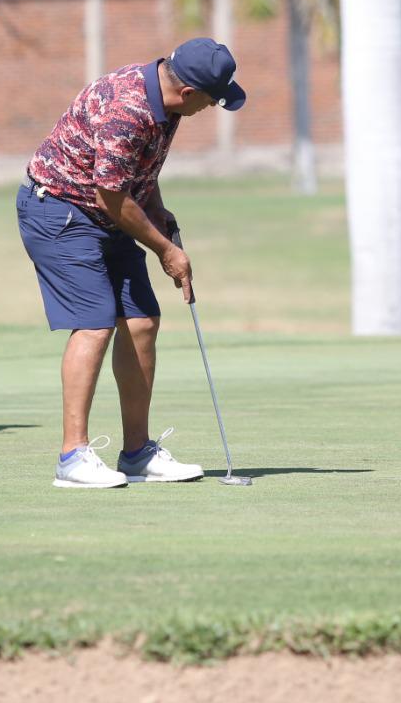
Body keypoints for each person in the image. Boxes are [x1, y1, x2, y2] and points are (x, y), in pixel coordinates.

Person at [17, 38, 247, 488]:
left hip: (107, 209)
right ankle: (72, 457)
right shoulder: (128, 108)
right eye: (211, 101)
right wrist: (165, 248)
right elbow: (110, 193)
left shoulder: (168, 103)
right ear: (187, 92)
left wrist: (157, 211)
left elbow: (138, 172)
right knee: (94, 323)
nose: (210, 109)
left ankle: (137, 453)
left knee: (141, 322)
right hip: (60, 209)